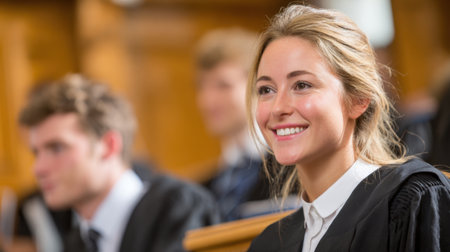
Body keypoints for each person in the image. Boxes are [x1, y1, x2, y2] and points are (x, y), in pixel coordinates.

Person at [246, 4, 450, 252]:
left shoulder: (410, 201)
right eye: (266, 90)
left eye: (301, 85)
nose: (278, 108)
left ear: (358, 99)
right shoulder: (267, 245)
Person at [18, 74, 220, 252]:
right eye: (36, 153)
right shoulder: (76, 243)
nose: (38, 169)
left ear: (109, 145)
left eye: (57, 148)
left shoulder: (177, 208)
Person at [195, 28, 298, 221]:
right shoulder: (204, 187)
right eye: (202, 86)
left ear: (258, 87)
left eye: (223, 85)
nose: (208, 100)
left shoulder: (296, 169)